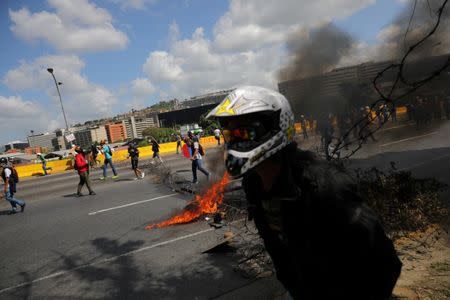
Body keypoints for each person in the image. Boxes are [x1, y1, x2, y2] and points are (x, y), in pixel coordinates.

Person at [207, 86, 401, 299]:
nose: (235, 142)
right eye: (230, 135)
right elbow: (278, 248)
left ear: (276, 127)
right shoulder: (253, 184)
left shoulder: (326, 184)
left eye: (244, 133)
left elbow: (385, 263)